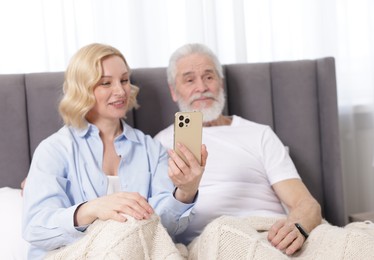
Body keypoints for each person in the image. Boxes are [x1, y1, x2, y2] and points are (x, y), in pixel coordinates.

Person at [22, 43, 207, 259]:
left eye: (124, 80)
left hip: (138, 250)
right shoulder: (55, 149)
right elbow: (35, 226)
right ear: (83, 88)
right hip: (75, 254)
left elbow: (163, 227)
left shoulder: (150, 148)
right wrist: (92, 209)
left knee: (223, 231)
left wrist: (186, 191)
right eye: (106, 83)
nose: (120, 91)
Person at [154, 43, 323, 256]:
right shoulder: (160, 144)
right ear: (174, 91)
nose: (202, 87)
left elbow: (306, 204)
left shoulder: (259, 134)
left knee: (354, 242)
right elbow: (162, 224)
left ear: (221, 83)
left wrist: (298, 227)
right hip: (217, 237)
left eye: (209, 77)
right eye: (189, 80)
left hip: (276, 232)